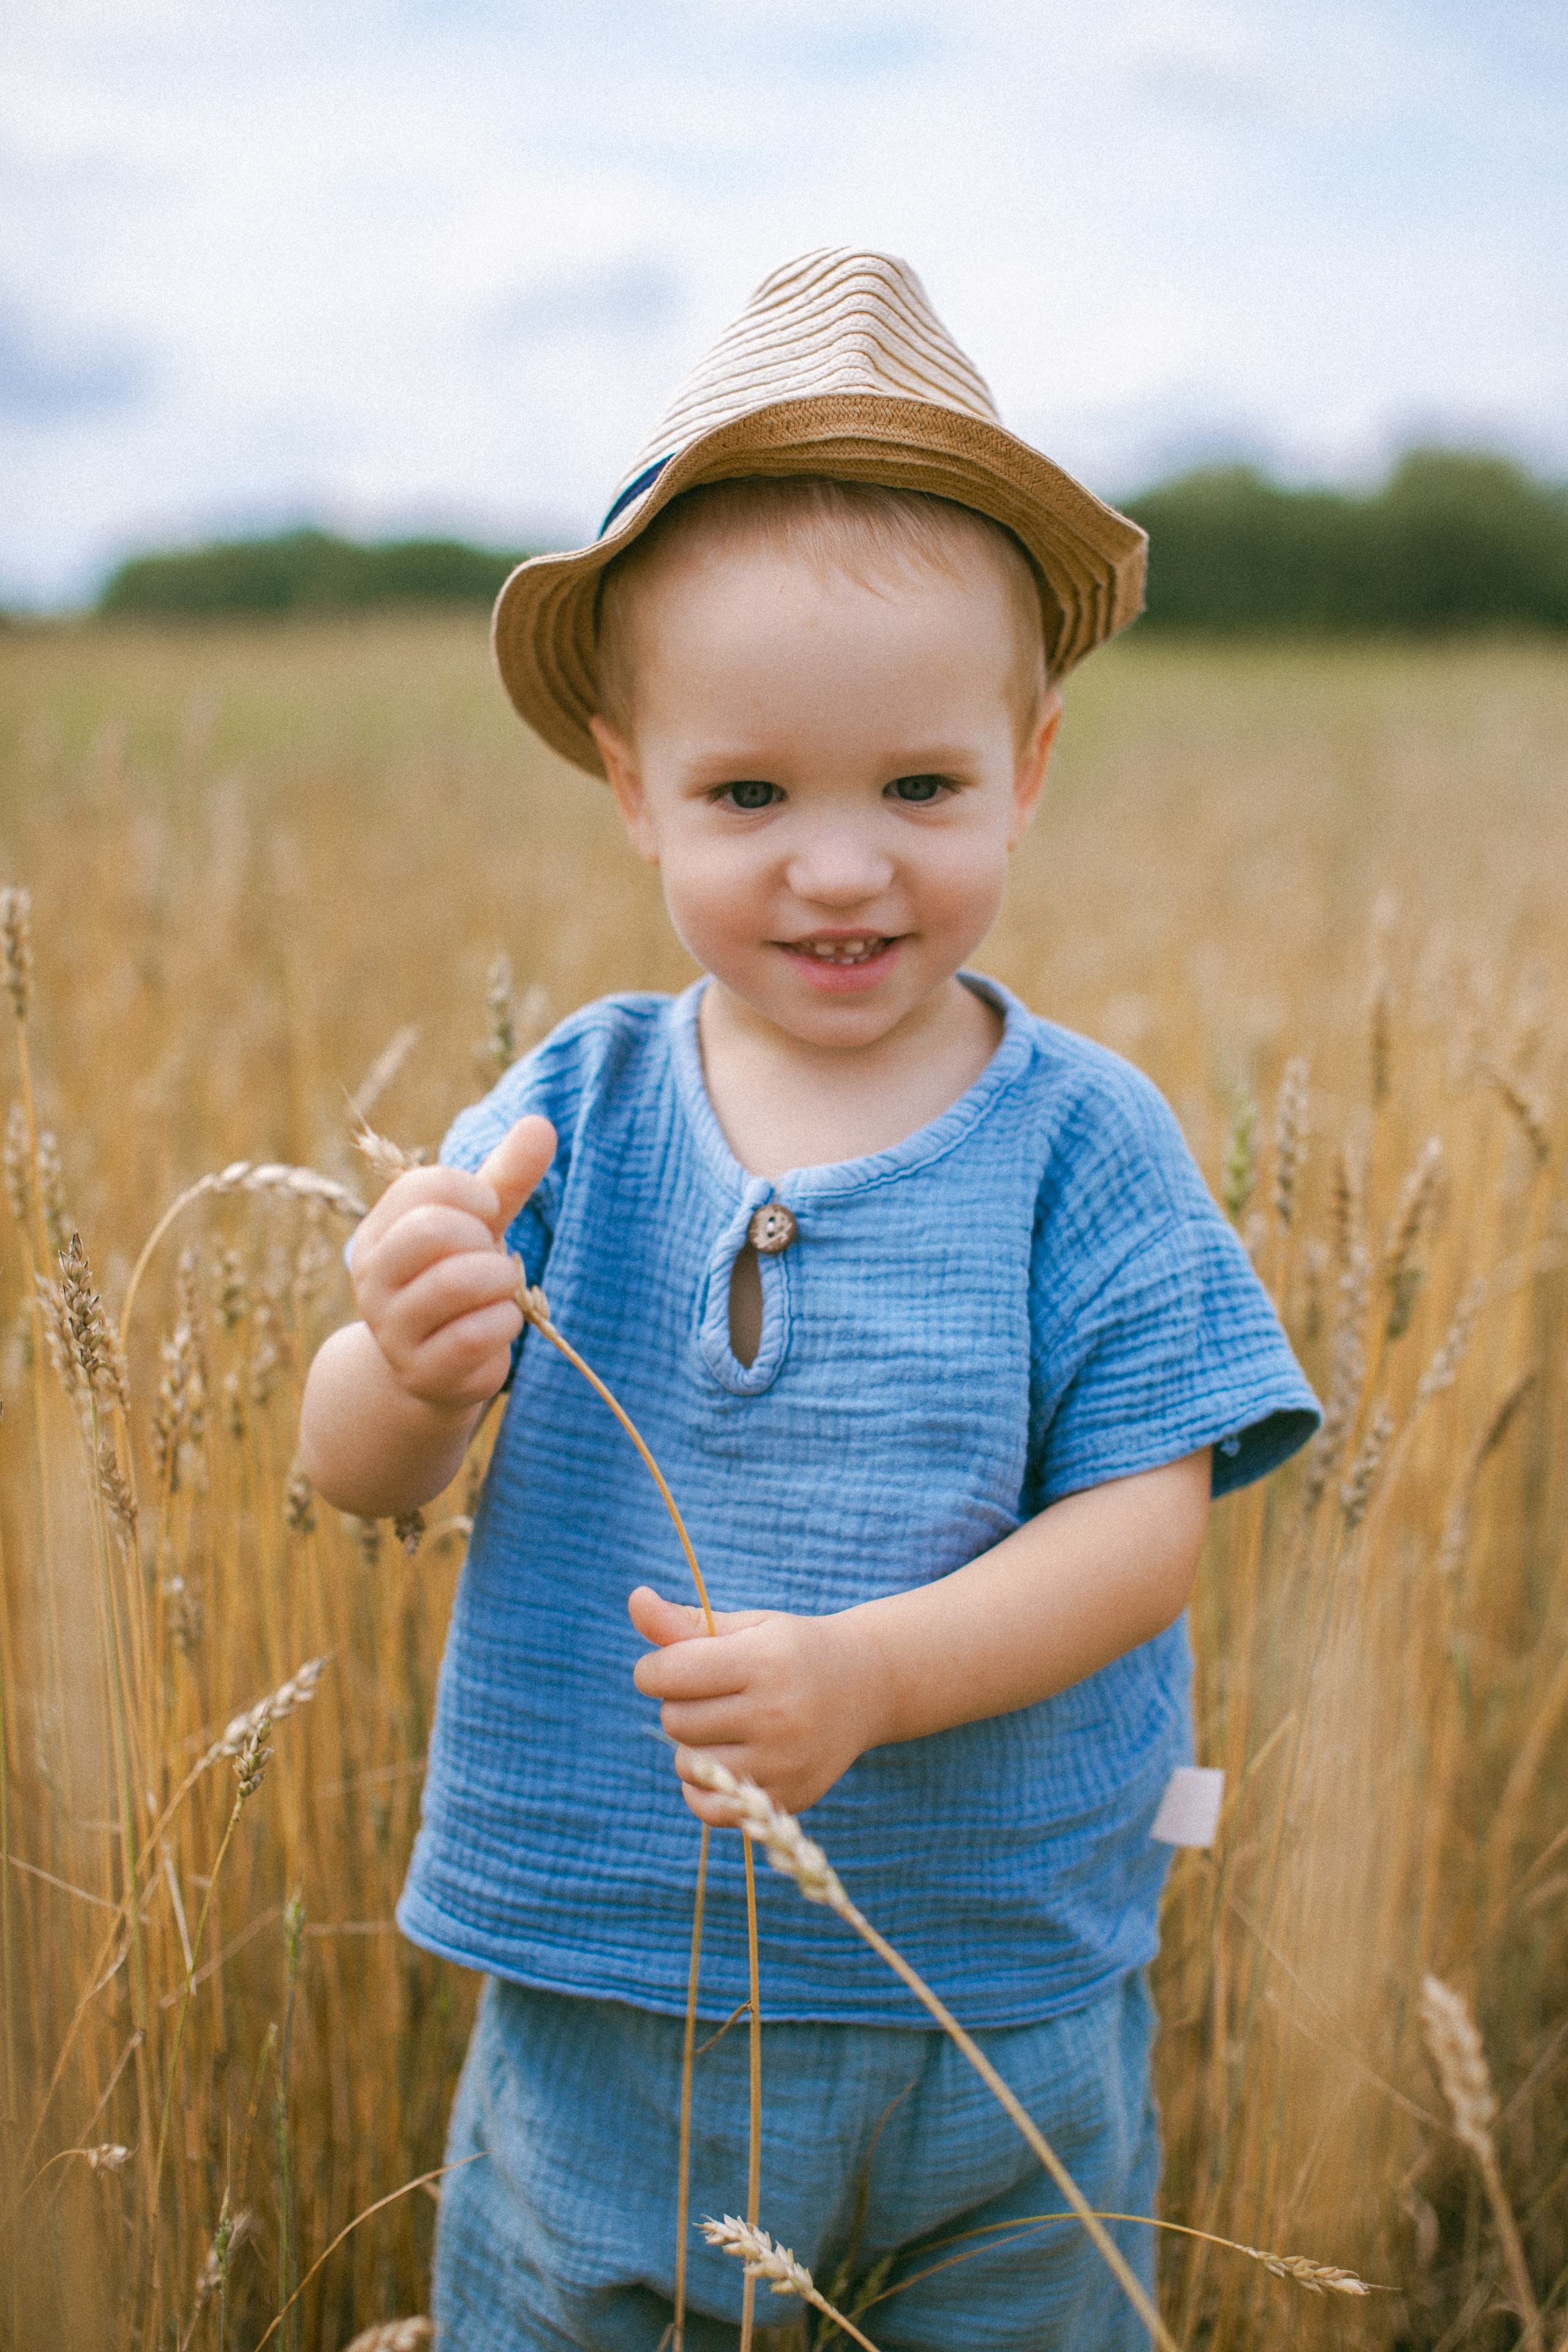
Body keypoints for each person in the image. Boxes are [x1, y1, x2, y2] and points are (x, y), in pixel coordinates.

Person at [300, 249, 1319, 2352]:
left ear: (1028, 767)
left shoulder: (1081, 1139)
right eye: (751, 796)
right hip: (617, 1990)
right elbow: (362, 1478)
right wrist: (401, 1362)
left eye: (918, 792)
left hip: (994, 1990)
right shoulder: (570, 1107)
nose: (840, 868)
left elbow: (1148, 1523)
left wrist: (872, 1681)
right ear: (631, 787)